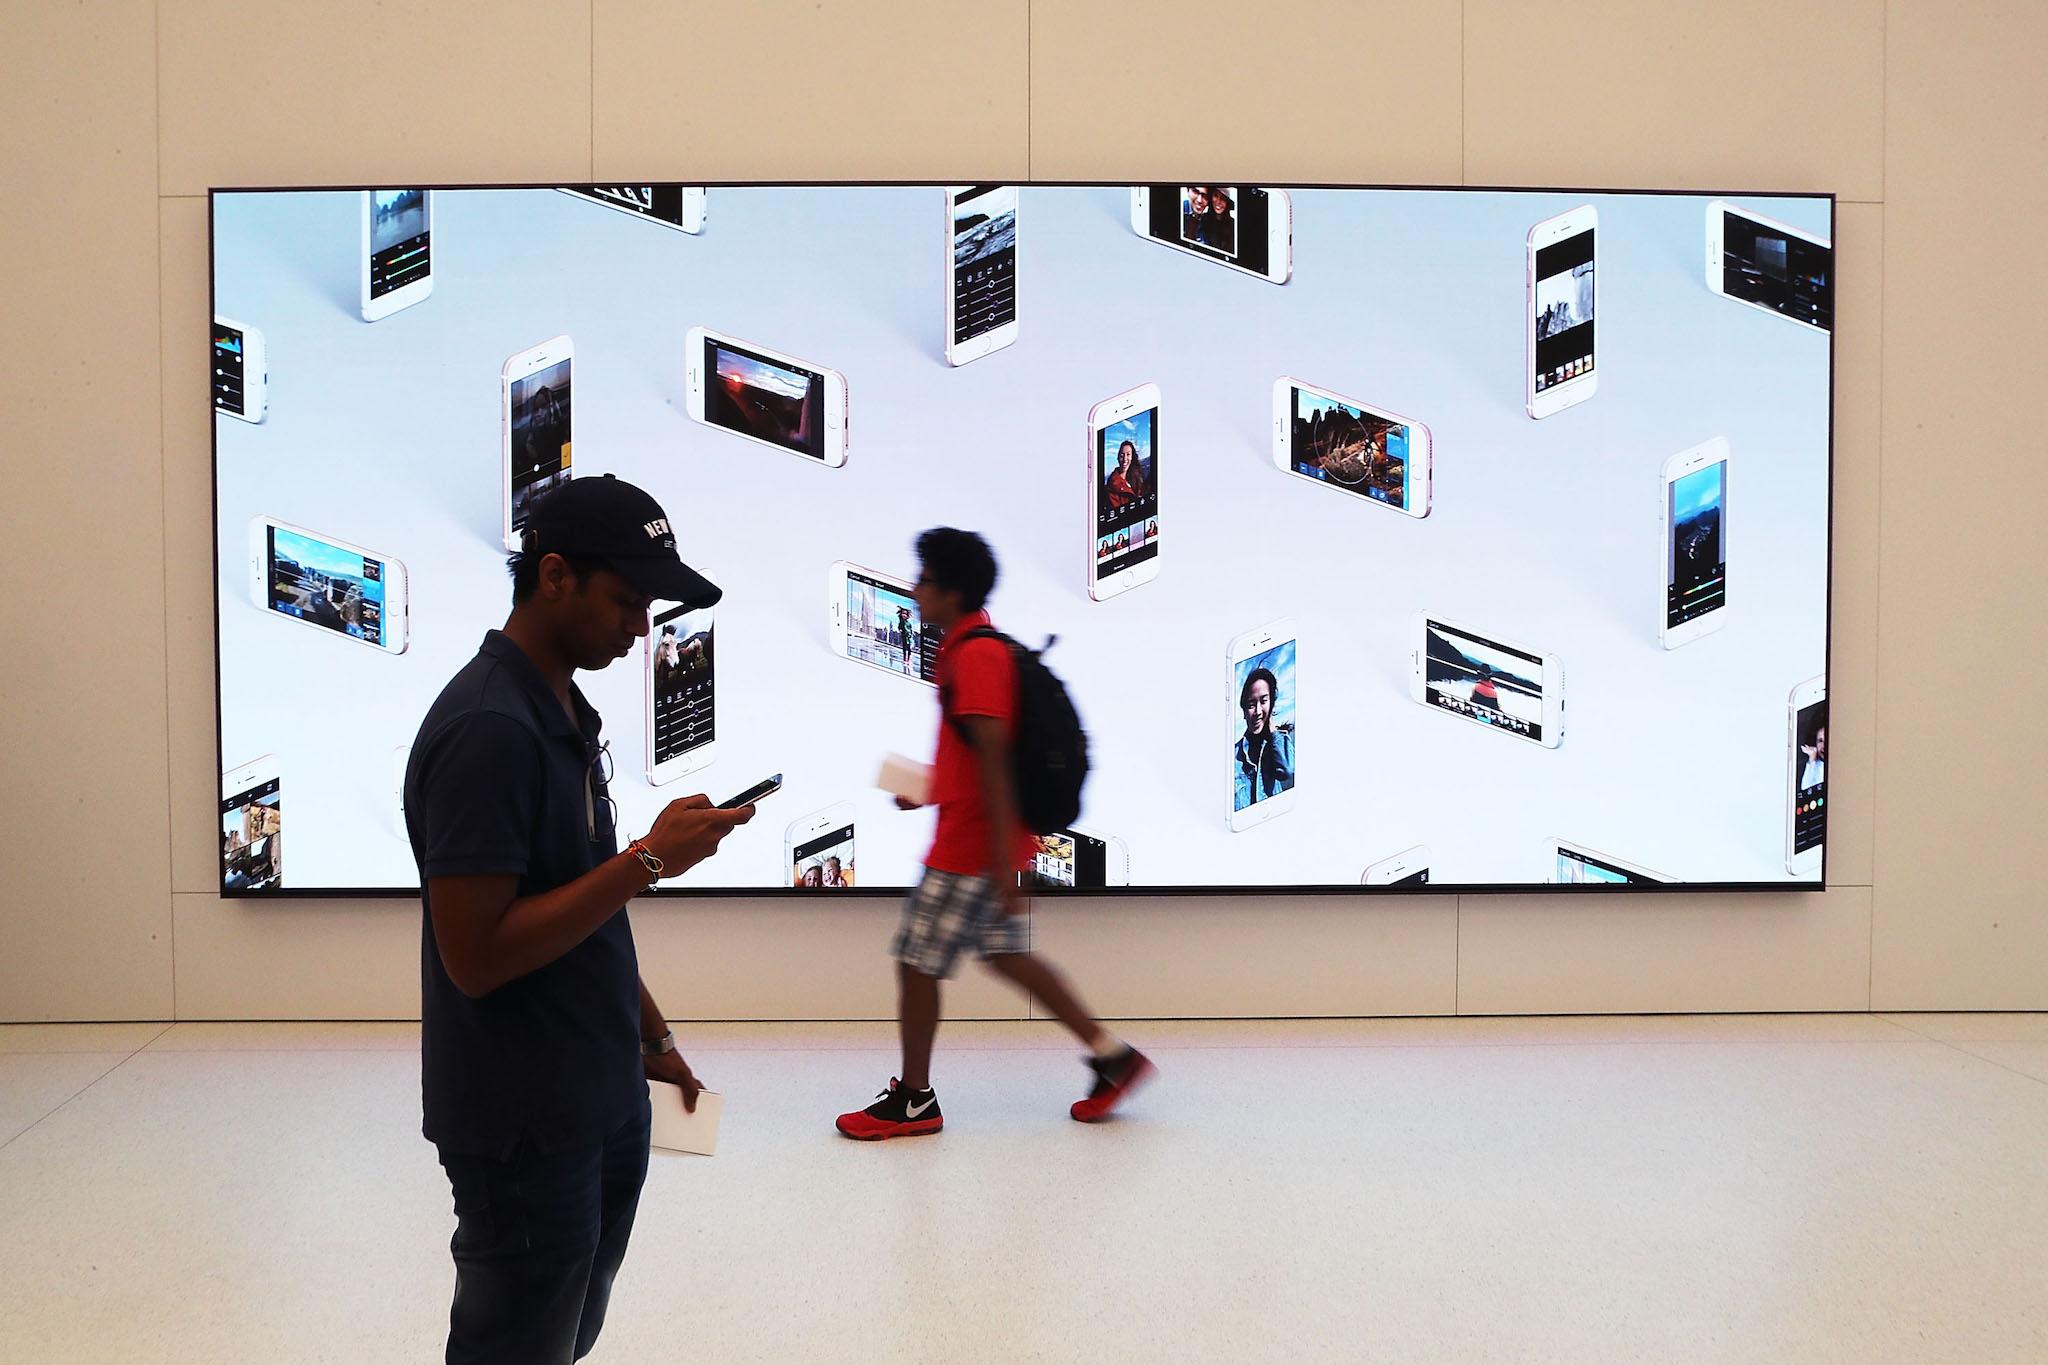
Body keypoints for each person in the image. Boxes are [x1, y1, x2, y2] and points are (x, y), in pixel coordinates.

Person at [404, 474, 754, 1364]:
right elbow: (476, 956)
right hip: (524, 1123)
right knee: (514, 1345)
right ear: (552, 576)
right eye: (626, 601)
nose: (641, 629)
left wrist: (651, 1034)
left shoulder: (562, 706)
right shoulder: (490, 730)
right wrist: (646, 861)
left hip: (597, 1096)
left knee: (564, 1332)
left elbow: (575, 900)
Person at [837, 528, 1155, 1139]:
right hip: (980, 839)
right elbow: (973, 757)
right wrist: (929, 790)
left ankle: (913, 1099)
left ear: (951, 593)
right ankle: (1113, 1059)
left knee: (915, 963)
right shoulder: (967, 647)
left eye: (924, 580)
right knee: (1006, 956)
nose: (914, 589)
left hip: (969, 849)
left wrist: (1005, 864)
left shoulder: (976, 656)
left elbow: (994, 759)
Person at [1233, 666, 1296, 811]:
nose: (1257, 711)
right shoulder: (1233, 756)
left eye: (1263, 701)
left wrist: (1272, 730)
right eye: (1250, 705)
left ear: (1272, 704)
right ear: (1244, 712)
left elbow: (1288, 770)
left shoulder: (1276, 746)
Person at [1105, 438, 1148, 512]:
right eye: (1122, 455)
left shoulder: (1135, 475)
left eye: (1128, 454)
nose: (1125, 459)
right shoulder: (1113, 484)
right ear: (1118, 458)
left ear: (1132, 457)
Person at [1204, 187, 1237, 255]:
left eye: (1223, 198)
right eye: (1216, 196)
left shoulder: (1234, 225)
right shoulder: (1202, 220)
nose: (1218, 202)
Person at [1800, 724, 1827, 790]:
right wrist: (1812, 759)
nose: (1823, 745)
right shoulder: (1815, 764)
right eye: (1820, 741)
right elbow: (1805, 788)